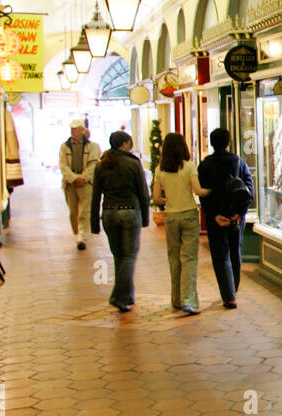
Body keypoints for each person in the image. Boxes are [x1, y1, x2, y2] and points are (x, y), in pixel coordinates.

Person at [152, 133, 211, 315]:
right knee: (189, 258)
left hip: (170, 216)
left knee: (174, 258)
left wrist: (169, 198)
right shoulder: (189, 166)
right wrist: (211, 191)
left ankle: (176, 299)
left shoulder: (159, 169)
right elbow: (198, 191)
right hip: (188, 215)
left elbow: (155, 198)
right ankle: (189, 300)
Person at [90, 131, 149, 312]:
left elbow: (95, 196)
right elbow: (143, 193)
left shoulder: (102, 165)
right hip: (130, 212)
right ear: (124, 144)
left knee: (119, 256)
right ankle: (119, 296)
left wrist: (94, 222)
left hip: (108, 213)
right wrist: (145, 218)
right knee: (129, 256)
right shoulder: (132, 163)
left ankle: (128, 295)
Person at [198, 128, 254, 309]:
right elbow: (248, 189)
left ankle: (229, 296)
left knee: (220, 256)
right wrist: (241, 212)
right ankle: (233, 289)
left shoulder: (205, 165)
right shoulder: (238, 162)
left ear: (211, 143)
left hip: (217, 217)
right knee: (235, 252)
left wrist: (213, 215)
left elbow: (203, 194)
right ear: (228, 142)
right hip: (235, 216)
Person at [59, 118, 100, 251]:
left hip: (86, 184)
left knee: (84, 211)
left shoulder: (92, 146)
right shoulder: (64, 147)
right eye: (72, 129)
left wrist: (83, 178)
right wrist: (73, 178)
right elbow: (63, 165)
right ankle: (78, 233)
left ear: (82, 130)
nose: (73, 132)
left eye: (76, 129)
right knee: (73, 211)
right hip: (70, 184)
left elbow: (94, 164)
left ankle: (82, 237)